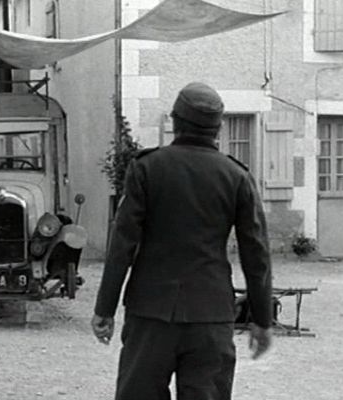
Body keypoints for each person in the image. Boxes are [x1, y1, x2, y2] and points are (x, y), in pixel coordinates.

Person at [91, 82, 273, 400]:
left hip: (150, 313)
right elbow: (256, 255)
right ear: (218, 128)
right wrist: (261, 320)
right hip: (211, 315)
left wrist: (104, 309)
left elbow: (122, 245)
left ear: (175, 121)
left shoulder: (146, 168)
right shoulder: (236, 176)